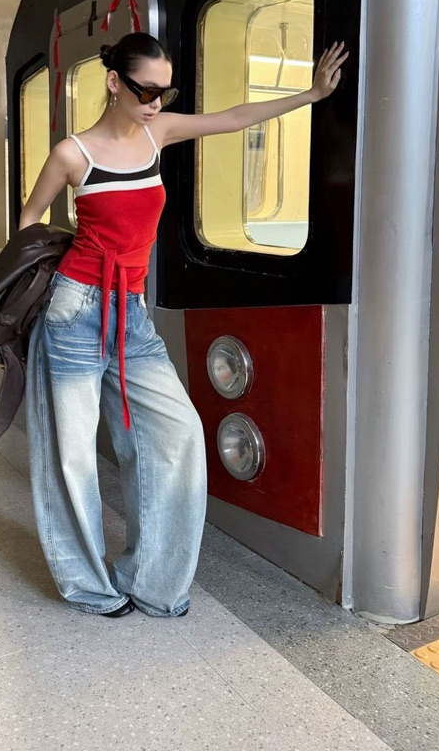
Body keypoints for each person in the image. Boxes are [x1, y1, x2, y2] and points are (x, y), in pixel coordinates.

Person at [18, 31, 348, 618]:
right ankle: (89, 586)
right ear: (114, 82)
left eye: (163, 92)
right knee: (72, 457)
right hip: (74, 311)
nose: (155, 102)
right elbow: (27, 221)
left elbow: (233, 117)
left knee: (179, 434)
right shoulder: (74, 154)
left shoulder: (158, 132)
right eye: (145, 90)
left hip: (131, 314)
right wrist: (37, 289)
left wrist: (311, 95)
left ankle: (152, 581)